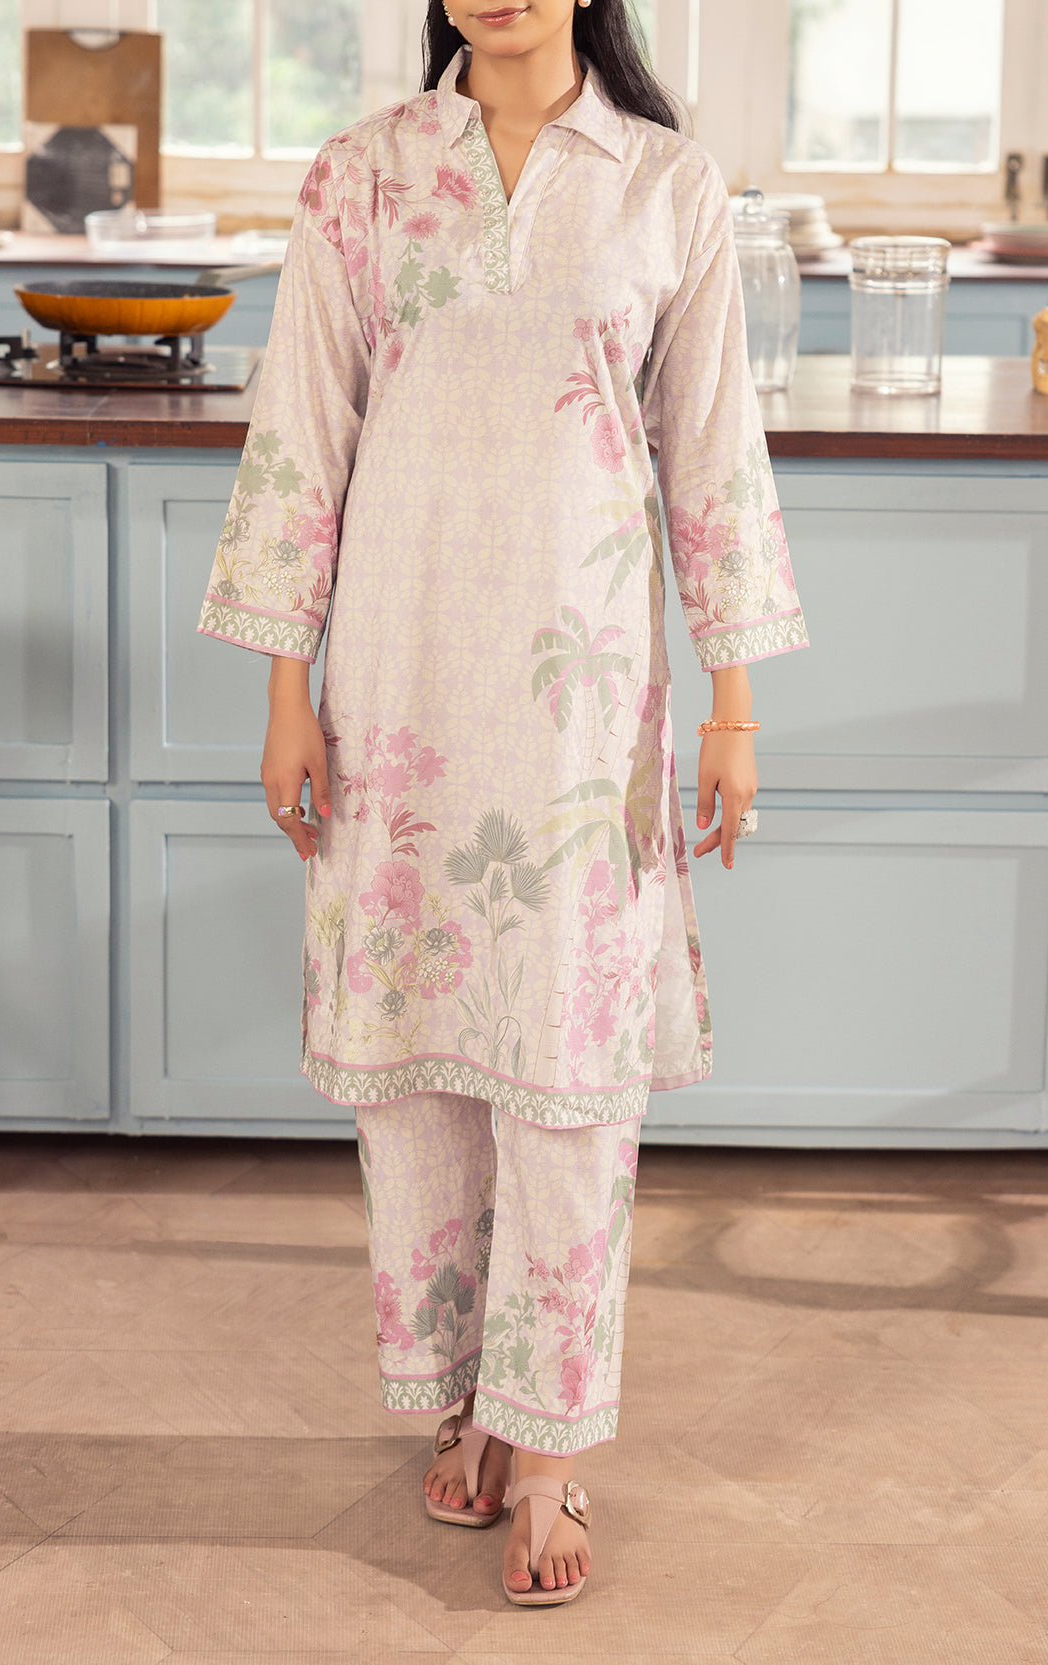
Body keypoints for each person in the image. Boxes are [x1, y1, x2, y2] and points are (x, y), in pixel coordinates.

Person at [197, 0, 808, 1607]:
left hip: (581, 708)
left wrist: (732, 704)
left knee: (567, 1072)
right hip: (398, 692)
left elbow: (712, 454)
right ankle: (465, 1395)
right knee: (420, 1072)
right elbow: (302, 432)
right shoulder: (363, 173)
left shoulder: (665, 182)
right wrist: (284, 688)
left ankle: (549, 1445)